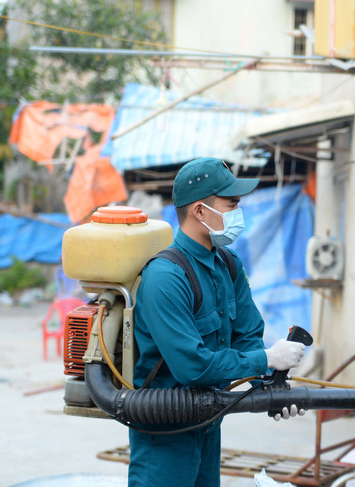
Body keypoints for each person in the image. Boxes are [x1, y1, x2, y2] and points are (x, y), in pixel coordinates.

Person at [128, 157, 306, 486]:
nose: (240, 213)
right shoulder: (165, 277)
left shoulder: (227, 262)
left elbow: (247, 334)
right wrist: (266, 357)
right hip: (166, 431)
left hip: (208, 422)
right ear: (199, 211)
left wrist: (270, 387)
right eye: (233, 204)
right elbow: (191, 366)